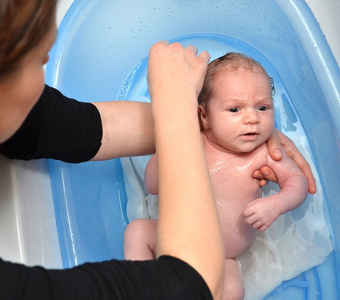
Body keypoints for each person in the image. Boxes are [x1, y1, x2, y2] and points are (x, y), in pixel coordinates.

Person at [0, 1, 315, 299]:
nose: (45, 84)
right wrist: (180, 107)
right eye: (39, 64)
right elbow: (190, 286)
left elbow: (70, 127)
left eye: (263, 107)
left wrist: (225, 124)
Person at [123, 52, 309, 299]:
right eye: (235, 109)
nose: (252, 118)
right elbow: (152, 186)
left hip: (223, 257)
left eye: (263, 107)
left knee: (232, 290)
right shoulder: (191, 143)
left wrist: (275, 204)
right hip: (173, 238)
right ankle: (145, 291)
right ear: (204, 116)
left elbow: (298, 183)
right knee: (137, 232)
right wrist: (170, 148)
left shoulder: (264, 154)